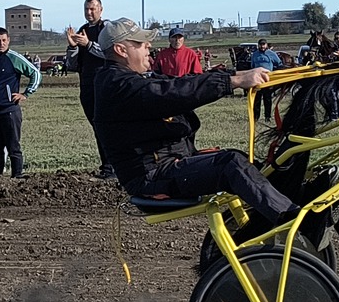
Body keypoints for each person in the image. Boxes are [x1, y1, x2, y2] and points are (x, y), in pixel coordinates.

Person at [92, 18, 292, 232]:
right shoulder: (119, 85)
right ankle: (292, 221)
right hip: (151, 177)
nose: (148, 46)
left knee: (241, 159)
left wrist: (236, 75)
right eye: (140, 43)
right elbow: (174, 93)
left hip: (164, 164)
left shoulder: (123, 78)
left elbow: (180, 81)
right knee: (231, 164)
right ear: (121, 50)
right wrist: (232, 83)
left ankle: (279, 212)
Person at [0, 27, 41, 177]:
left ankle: (17, 176)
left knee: (13, 147)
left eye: (4, 40)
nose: (1, 43)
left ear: (8, 40)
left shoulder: (14, 58)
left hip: (9, 111)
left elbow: (35, 73)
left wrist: (26, 94)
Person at [63, 0, 112, 178]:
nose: (89, 13)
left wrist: (89, 44)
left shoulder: (107, 29)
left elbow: (110, 53)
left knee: (106, 125)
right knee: (97, 126)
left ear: (101, 9)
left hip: (104, 84)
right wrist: (73, 46)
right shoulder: (82, 30)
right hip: (86, 85)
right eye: (86, 9)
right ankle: (106, 166)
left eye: (92, 9)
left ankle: (112, 167)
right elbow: (73, 64)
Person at [251, 38, 282, 122]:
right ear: (258, 45)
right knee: (257, 99)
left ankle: (267, 117)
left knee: (267, 98)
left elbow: (279, 63)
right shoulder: (255, 54)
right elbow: (252, 65)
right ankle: (256, 117)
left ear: (267, 45)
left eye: (264, 44)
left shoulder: (271, 54)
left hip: (268, 79)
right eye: (260, 44)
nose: (262, 46)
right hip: (257, 79)